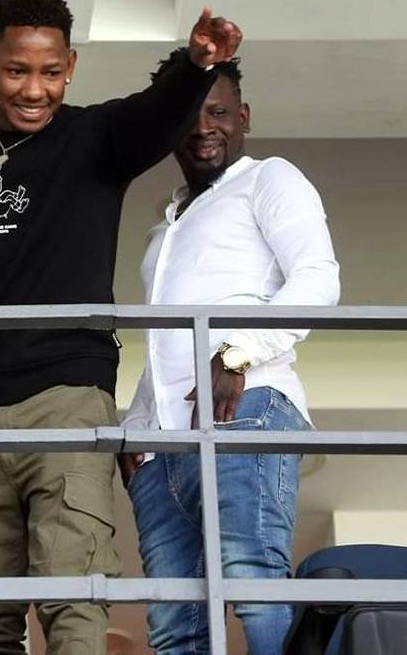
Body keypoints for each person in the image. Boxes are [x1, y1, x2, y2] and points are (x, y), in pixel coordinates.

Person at [0, 0, 241, 654]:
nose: (34, 89)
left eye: (51, 72)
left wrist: (196, 66)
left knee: (75, 592)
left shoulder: (96, 139)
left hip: (65, 400)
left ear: (72, 66)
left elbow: (154, 114)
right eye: (16, 70)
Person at [120, 49, 340, 655]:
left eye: (217, 112)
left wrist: (237, 354)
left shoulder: (268, 178)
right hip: (163, 443)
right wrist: (135, 427)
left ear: (242, 116)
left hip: (245, 406)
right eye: (188, 115)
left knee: (254, 584)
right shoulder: (163, 226)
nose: (203, 128)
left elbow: (318, 280)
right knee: (173, 623)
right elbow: (164, 341)